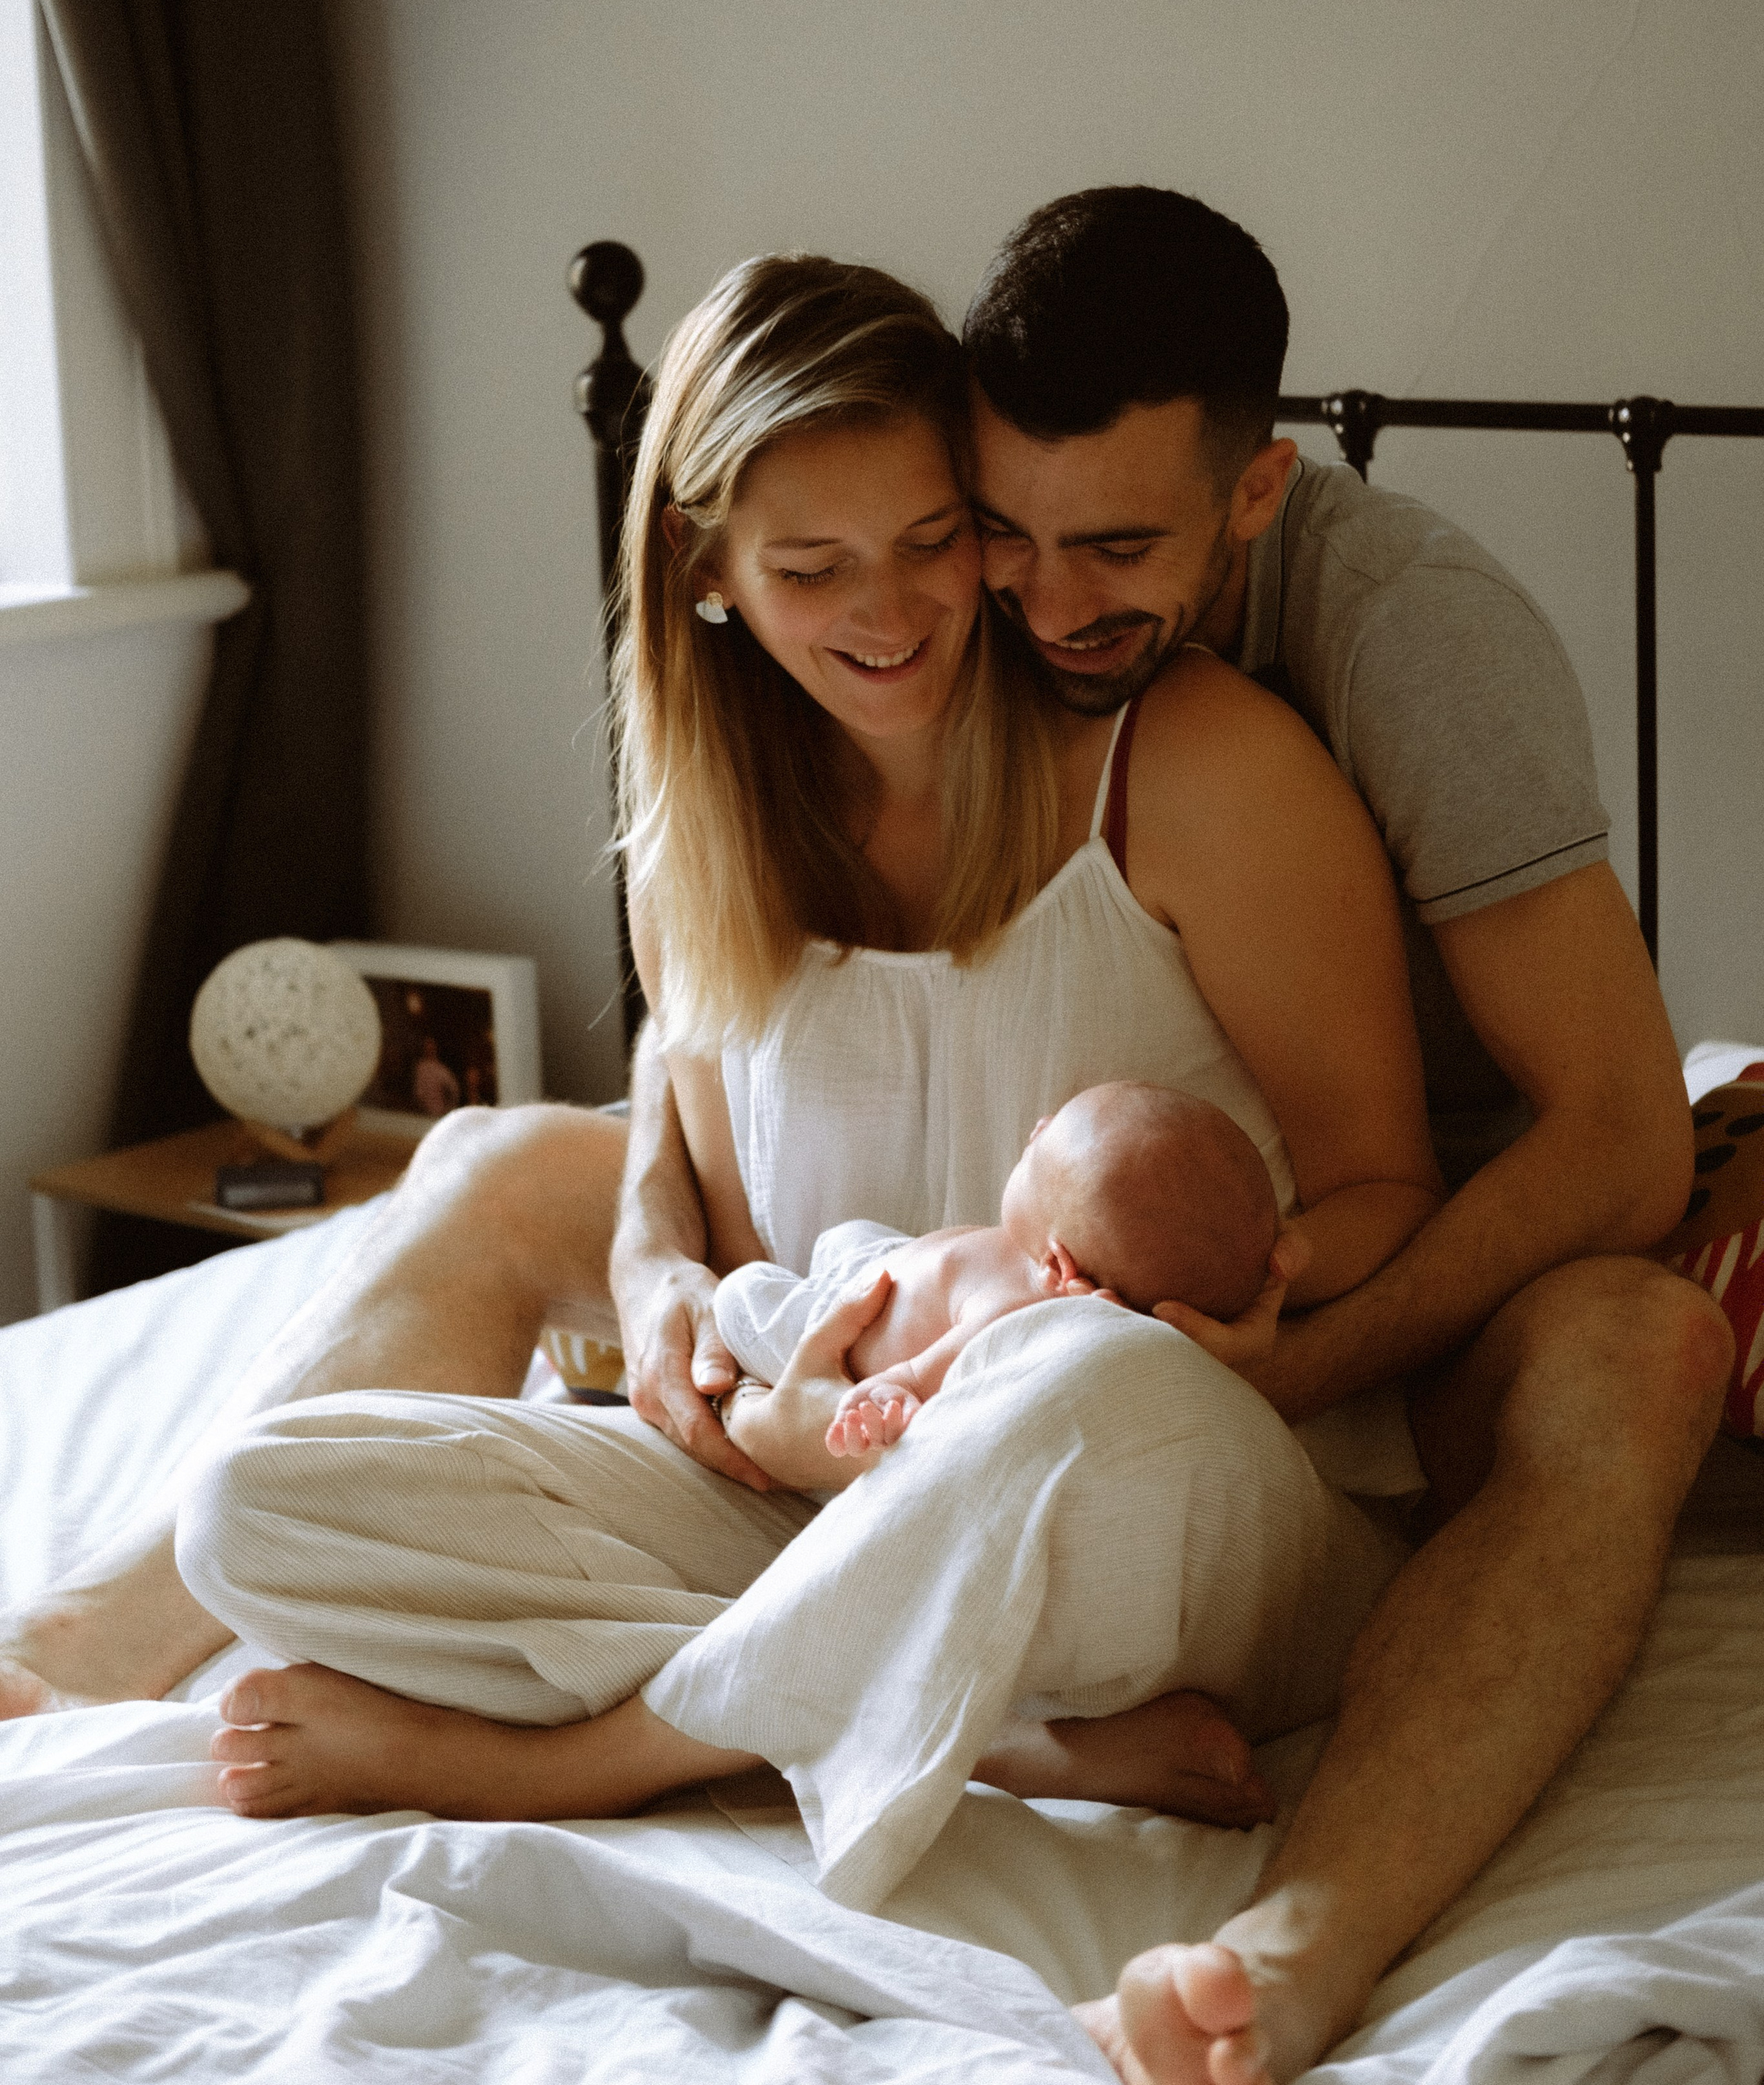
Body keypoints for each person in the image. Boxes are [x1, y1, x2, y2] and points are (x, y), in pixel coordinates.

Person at [165, 251, 1441, 1919]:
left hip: (1151, 1494)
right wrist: (658, 1280)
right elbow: (680, 1142)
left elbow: (1386, 1186)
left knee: (1061, 1377)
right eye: (812, 565)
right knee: (248, 1510)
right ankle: (997, 1735)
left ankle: (581, 1756)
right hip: (818, 1486)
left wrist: (1234, 1317)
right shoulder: (700, 840)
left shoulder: (1195, 774)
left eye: (932, 539)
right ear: (705, 571)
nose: (893, 609)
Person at [947, 185, 1730, 2085]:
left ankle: (1285, 1953)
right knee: (513, 1172)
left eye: (1116, 547)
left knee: (1643, 1347)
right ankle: (75, 1661)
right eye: (1010, 538)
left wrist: (1306, 1357)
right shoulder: (926, 585)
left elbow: (1624, 1141)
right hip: (1055, 1207)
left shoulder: (1418, 643)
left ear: (1258, 495)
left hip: (1406, 1271)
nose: (1048, 608)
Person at [711, 1081, 1292, 1461]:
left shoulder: (1014, 1314)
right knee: (848, 1237)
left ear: (1058, 1264)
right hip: (882, 1265)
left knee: (740, 1295)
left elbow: (917, 1375)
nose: (1037, 1126)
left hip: (838, 1335)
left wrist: (886, 1396)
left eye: (1037, 1154)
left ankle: (754, 1353)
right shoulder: (1043, 1260)